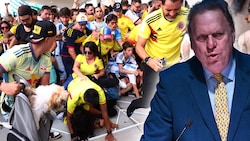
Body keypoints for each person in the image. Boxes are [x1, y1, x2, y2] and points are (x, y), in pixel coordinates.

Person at [141, 0, 250, 140]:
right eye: (202, 37)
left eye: (218, 35)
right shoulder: (171, 83)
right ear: (192, 43)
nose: (211, 44)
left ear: (232, 34)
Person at [0, 20, 61, 140]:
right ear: (48, 40)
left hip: (32, 108)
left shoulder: (46, 57)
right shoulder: (16, 54)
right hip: (13, 109)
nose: (55, 42)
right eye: (55, 39)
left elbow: (44, 87)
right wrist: (3, 86)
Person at [127, 0, 188, 117]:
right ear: (161, 5)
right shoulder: (151, 20)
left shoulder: (188, 15)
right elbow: (139, 46)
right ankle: (134, 105)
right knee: (147, 101)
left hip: (173, 65)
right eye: (168, 10)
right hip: (152, 64)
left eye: (176, 9)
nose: (172, 14)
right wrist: (149, 60)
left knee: (174, 98)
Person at [67, 77, 118, 141]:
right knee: (79, 117)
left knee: (109, 112)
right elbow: (68, 118)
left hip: (85, 84)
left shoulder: (100, 92)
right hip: (74, 86)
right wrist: (73, 136)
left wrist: (109, 132)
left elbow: (104, 113)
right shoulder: (73, 98)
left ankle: (98, 121)